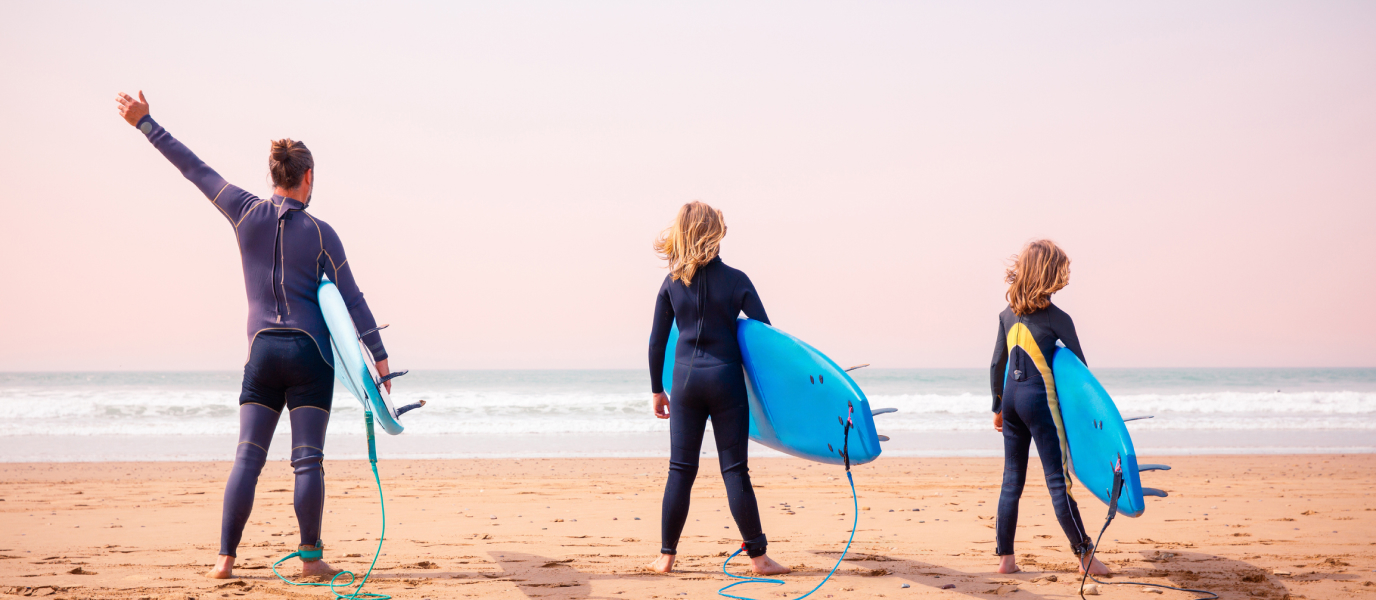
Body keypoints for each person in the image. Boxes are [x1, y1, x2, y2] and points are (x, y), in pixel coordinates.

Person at [115, 91, 394, 580]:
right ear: (307, 177)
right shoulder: (324, 234)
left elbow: (194, 168)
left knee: (248, 457)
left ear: (274, 176)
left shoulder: (244, 211)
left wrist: (146, 123)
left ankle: (224, 560)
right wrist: (382, 362)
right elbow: (352, 300)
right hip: (311, 356)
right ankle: (311, 559)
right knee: (308, 460)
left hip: (262, 351)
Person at [645, 202, 788, 575]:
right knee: (735, 471)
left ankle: (665, 558)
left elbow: (657, 343)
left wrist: (657, 390)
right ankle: (759, 559)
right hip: (726, 382)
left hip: (686, 383)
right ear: (717, 233)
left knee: (680, 470)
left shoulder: (672, 283)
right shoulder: (737, 280)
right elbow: (766, 339)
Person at [989, 240, 1108, 576]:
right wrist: (1089, 420)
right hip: (1039, 403)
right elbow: (1080, 376)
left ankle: (1006, 560)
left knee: (1011, 481)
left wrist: (997, 406)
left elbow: (997, 363)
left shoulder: (1005, 315)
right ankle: (1085, 556)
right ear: (1051, 275)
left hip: (1011, 401)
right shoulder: (1058, 318)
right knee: (1058, 481)